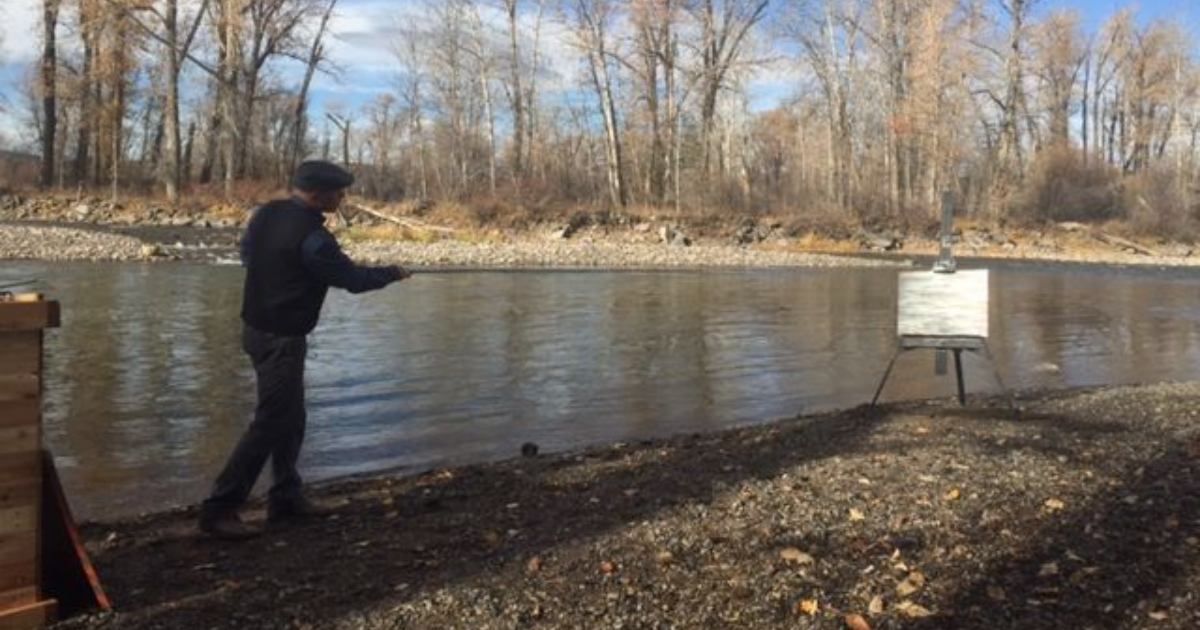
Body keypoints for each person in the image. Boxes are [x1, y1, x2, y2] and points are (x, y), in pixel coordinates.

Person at [199, 160, 410, 540]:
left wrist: (280, 274)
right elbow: (353, 280)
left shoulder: (266, 214)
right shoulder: (315, 239)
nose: (342, 198)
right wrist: (392, 273)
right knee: (270, 421)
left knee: (291, 416)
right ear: (317, 194)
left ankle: (286, 498)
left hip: (255, 328)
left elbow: (247, 253)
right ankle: (220, 508)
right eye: (338, 193)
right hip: (281, 338)